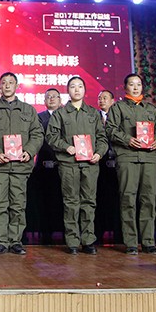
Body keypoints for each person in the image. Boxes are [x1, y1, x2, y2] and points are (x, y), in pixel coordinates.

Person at [0, 72, 43, 255]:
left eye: (11, 82)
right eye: (4, 82)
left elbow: (37, 134)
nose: (7, 85)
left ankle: (16, 241)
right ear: (0, 86)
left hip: (20, 166)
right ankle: (1, 242)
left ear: (16, 86)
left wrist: (29, 151)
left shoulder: (28, 110)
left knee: (18, 205)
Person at [45, 76, 107, 255]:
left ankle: (88, 240)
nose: (77, 89)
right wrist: (66, 147)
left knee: (89, 202)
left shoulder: (93, 113)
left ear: (85, 90)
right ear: (68, 91)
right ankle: (72, 241)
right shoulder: (60, 113)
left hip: (90, 164)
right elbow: (51, 136)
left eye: (80, 86)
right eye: (73, 86)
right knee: (71, 202)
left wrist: (99, 153)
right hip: (68, 164)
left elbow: (102, 137)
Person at [105, 73, 156, 255]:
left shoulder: (151, 109)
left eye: (138, 84)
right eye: (132, 84)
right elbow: (110, 129)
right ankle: (131, 242)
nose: (136, 87)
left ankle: (148, 242)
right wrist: (128, 139)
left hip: (149, 158)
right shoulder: (118, 108)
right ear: (125, 87)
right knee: (128, 199)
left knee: (149, 200)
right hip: (127, 157)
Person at [34, 88, 61, 170]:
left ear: (60, 100)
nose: (51, 99)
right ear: (44, 101)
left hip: (63, 161)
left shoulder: (67, 116)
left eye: (54, 96)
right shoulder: (38, 117)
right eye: (48, 97)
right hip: (44, 161)